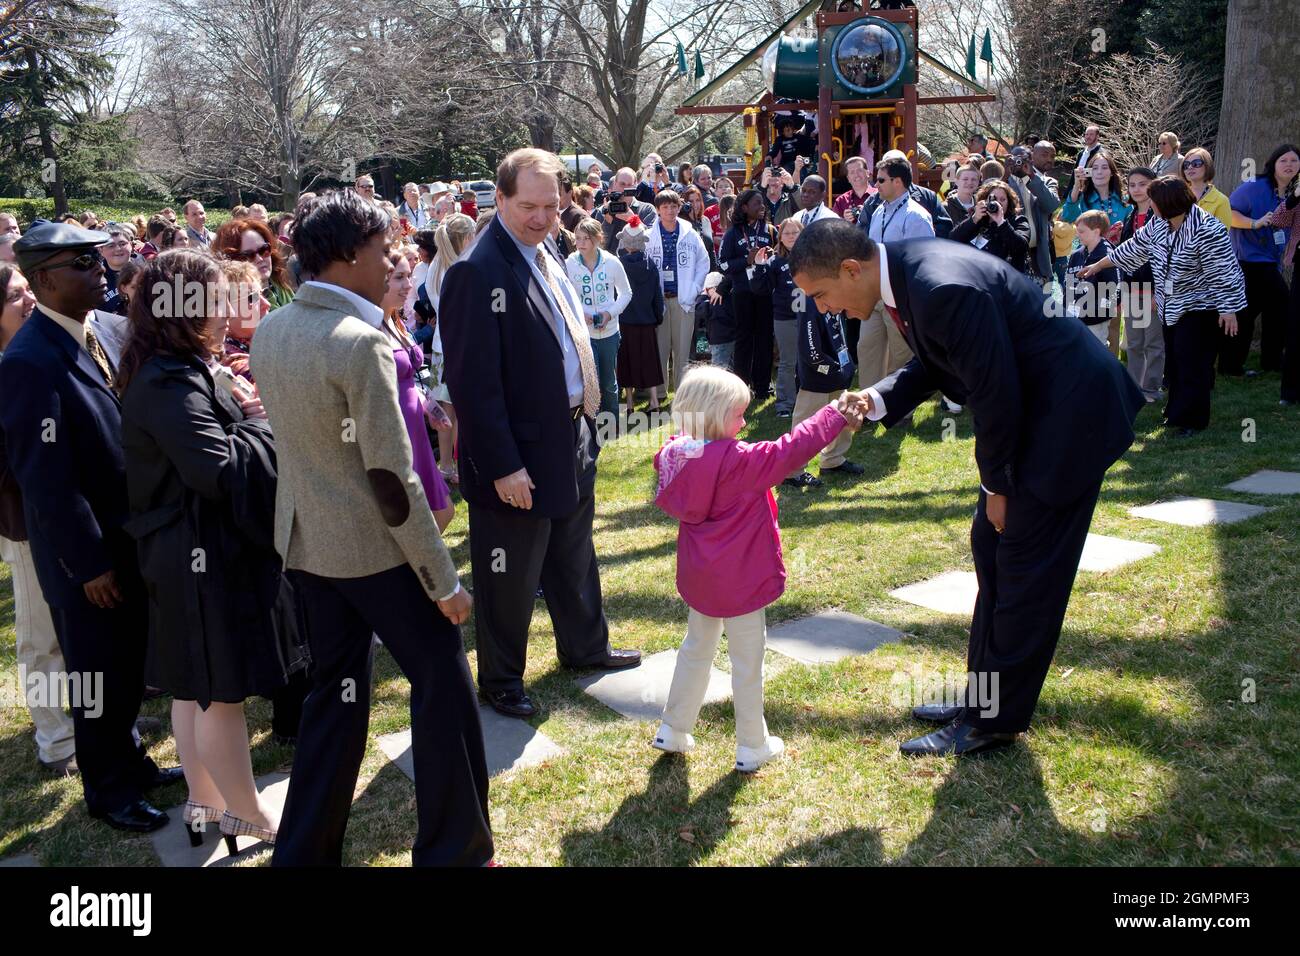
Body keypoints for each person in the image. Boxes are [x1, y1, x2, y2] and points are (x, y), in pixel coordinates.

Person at [789, 219, 1145, 755]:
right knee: (993, 550)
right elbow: (940, 361)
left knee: (1024, 572)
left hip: (1068, 421)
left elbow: (996, 392)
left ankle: (993, 721)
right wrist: (877, 398)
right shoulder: (907, 273)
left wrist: (996, 486)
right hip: (1036, 415)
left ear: (851, 269)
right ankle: (981, 699)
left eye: (820, 295)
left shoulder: (939, 286)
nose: (821, 308)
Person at [250, 191, 492, 867]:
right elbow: (391, 480)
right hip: (376, 553)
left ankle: (302, 853)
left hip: (309, 546)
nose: (395, 259)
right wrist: (442, 580)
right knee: (443, 684)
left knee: (336, 695)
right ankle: (457, 852)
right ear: (350, 256)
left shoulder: (274, 327)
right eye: (386, 249)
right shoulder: (359, 343)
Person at [440, 148, 643, 721]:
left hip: (572, 432)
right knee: (509, 567)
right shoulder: (476, 274)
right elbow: (473, 386)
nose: (540, 216)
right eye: (527, 205)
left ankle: (585, 647)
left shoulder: (547, 252)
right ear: (499, 199)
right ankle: (501, 679)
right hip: (519, 453)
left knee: (574, 551)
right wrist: (504, 466)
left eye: (551, 205)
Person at [0, 221, 183, 830]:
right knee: (97, 675)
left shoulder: (103, 328)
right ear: (45, 279)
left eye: (97, 256)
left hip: (133, 533)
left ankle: (133, 763)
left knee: (129, 663)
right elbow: (46, 481)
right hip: (88, 557)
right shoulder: (28, 361)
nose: (99, 268)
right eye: (81, 262)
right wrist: (89, 564)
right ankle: (109, 791)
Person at [118, 249, 289, 855]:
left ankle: (206, 803)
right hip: (197, 556)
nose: (227, 312)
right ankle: (246, 814)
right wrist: (258, 421)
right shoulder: (168, 379)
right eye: (216, 301)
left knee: (194, 688)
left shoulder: (171, 366)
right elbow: (215, 470)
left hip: (183, 550)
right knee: (219, 693)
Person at [650, 365, 861, 770]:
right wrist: (832, 413)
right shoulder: (741, 462)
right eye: (738, 414)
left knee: (695, 649)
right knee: (748, 662)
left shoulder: (675, 454)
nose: (745, 422)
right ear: (712, 415)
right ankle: (751, 743)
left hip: (701, 578)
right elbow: (792, 449)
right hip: (742, 579)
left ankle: (673, 727)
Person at [1081, 176, 1246, 436]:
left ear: (1168, 203)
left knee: (1193, 364)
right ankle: (1175, 412)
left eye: (1154, 200)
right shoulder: (1159, 223)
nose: (1150, 204)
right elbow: (1133, 248)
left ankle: (1194, 420)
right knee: (1176, 362)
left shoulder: (1207, 229)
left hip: (1202, 307)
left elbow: (1223, 272)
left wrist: (1228, 309)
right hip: (1171, 304)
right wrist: (1099, 265)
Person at [0, 263, 77, 774]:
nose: (29, 300)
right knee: (41, 634)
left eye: (30, 289)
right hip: (25, 521)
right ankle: (57, 740)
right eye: (15, 294)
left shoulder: (37, 348)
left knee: (78, 628)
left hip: (65, 512)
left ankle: (95, 719)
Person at [380, 250, 454, 532]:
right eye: (399, 277)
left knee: (442, 511)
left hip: (417, 429)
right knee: (421, 520)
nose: (409, 285)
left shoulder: (394, 319)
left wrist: (427, 403)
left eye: (408, 276)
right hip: (397, 432)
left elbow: (407, 378)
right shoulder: (368, 325)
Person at [1226, 143, 1299, 376]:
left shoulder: (1290, 193)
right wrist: (1254, 223)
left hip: (1270, 261)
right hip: (1248, 261)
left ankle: (1251, 363)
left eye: (1294, 161)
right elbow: (1230, 213)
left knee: (1253, 312)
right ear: (1273, 164)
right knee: (1280, 303)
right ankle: (1250, 362)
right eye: (1284, 160)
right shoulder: (1254, 187)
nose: (1289, 165)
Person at [859, 156, 931, 389]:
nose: (876, 184)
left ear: (897, 182)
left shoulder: (916, 215)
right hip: (874, 294)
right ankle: (868, 405)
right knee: (867, 348)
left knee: (901, 353)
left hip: (900, 296)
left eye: (880, 180)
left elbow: (923, 261)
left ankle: (899, 405)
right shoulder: (878, 210)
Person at [782, 295, 859, 489]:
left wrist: (844, 365)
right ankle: (793, 472)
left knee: (842, 415)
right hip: (817, 376)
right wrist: (829, 368)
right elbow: (810, 351)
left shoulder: (832, 296)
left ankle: (833, 459)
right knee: (806, 424)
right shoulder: (810, 303)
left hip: (837, 369)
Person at [424, 213, 475, 486]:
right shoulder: (459, 267)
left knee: (445, 411)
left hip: (442, 346)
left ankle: (446, 465)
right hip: (457, 347)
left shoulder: (437, 265)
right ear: (466, 238)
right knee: (458, 411)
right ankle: (458, 465)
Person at [645, 190, 709, 402]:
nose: (670, 211)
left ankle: (681, 393)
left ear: (679, 208)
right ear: (658, 210)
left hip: (683, 300)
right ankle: (661, 392)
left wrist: (693, 289)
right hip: (660, 299)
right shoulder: (649, 235)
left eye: (673, 207)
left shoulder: (690, 234)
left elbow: (703, 262)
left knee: (682, 349)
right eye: (665, 207)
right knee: (660, 347)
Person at [566, 216, 631, 421]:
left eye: (586, 238)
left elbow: (626, 293)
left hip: (610, 332)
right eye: (577, 238)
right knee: (588, 381)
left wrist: (609, 313)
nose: (581, 243)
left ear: (597, 239)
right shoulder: (570, 264)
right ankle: (590, 422)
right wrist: (579, 314)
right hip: (584, 333)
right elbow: (566, 297)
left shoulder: (612, 262)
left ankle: (611, 421)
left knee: (608, 381)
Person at [718, 188, 777, 394]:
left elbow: (780, 259)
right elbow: (723, 264)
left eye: (762, 203)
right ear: (744, 207)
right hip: (742, 293)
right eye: (756, 204)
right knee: (744, 339)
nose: (762, 207)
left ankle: (762, 386)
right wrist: (746, 260)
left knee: (765, 338)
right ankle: (741, 386)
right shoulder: (733, 233)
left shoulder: (770, 230)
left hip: (765, 294)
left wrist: (769, 258)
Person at [1117, 167, 1165, 402]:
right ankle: (1135, 386)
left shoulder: (1163, 217)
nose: (1137, 189)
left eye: (1142, 184)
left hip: (1154, 290)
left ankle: (1152, 388)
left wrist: (1160, 293)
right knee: (1134, 343)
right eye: (1132, 184)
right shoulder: (1130, 215)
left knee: (1153, 343)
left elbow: (1167, 258)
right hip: (1131, 288)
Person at [751, 218, 805, 418]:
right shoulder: (775, 261)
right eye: (787, 233)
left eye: (795, 232)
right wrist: (758, 267)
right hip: (785, 317)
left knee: (807, 359)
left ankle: (806, 399)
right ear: (780, 237)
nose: (791, 236)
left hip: (809, 317)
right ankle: (785, 403)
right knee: (788, 360)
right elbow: (760, 289)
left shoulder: (812, 257)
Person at [616, 219, 665, 411]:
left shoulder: (618, 265)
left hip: (625, 321)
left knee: (626, 361)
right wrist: (657, 316)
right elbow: (657, 295)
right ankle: (653, 401)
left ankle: (629, 403)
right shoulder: (650, 265)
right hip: (646, 321)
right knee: (649, 360)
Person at [949, 179, 1032, 273]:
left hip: (1006, 279)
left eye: (1003, 199)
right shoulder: (978, 219)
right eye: (993, 199)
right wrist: (974, 219)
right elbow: (953, 240)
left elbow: (1021, 247)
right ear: (984, 200)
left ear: (1009, 202)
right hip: (975, 277)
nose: (998, 203)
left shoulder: (1018, 221)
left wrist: (1001, 222)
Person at [1004, 144, 1061, 280]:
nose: (1020, 162)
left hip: (1038, 254)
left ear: (1031, 159)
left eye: (1024, 158)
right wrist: (1005, 175)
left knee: (1042, 299)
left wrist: (1029, 177)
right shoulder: (1004, 182)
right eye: (1016, 159)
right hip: (1011, 253)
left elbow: (1051, 205)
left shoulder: (1046, 182)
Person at [1063, 210, 1120, 344]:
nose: (1078, 234)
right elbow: (1069, 284)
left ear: (1096, 231)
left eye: (1082, 231)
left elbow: (1114, 290)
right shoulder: (1077, 255)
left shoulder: (1108, 257)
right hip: (1076, 317)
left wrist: (1097, 312)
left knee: (1094, 355)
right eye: (1077, 231)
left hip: (1095, 320)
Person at [213, 218, 294, 309]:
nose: (260, 259)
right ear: (230, 263)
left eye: (263, 249)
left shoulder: (282, 286)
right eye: (248, 255)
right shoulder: (241, 306)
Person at [598, 167, 657, 251]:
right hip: (611, 261)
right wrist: (607, 222)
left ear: (635, 185)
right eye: (622, 184)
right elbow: (599, 246)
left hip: (636, 262)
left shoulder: (647, 209)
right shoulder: (604, 210)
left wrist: (634, 220)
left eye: (629, 185)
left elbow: (651, 240)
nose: (625, 189)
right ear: (615, 184)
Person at [1180, 147, 1231, 229]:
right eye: (1186, 165)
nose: (1190, 167)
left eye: (1196, 163)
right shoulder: (1177, 196)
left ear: (1207, 166)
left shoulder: (1221, 201)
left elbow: (1221, 237)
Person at [697, 271, 736, 370]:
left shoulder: (714, 302)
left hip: (719, 342)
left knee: (718, 371)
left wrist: (703, 296)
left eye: (707, 289)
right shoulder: (730, 298)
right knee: (730, 369)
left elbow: (700, 310)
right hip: (731, 339)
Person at [99, 221, 140, 315]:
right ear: (100, 250)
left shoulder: (145, 272)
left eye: (122, 244)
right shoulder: (95, 278)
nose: (118, 249)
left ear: (131, 245)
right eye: (111, 245)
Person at [833, 156, 876, 223]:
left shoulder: (880, 196)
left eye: (859, 170)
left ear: (867, 173)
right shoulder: (841, 201)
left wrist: (869, 214)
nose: (856, 175)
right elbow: (834, 227)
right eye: (852, 172)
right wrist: (844, 221)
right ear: (848, 178)